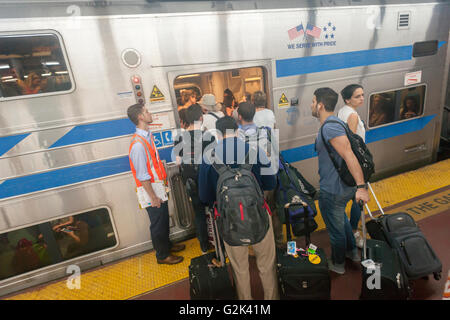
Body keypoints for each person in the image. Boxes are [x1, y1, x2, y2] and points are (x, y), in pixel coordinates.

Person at [198, 116, 279, 300]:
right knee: (266, 264)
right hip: (259, 215)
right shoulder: (255, 150)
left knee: (240, 268)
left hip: (229, 220)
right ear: (237, 130)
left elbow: (204, 197)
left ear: (218, 134)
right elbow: (270, 182)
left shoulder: (208, 157)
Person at [311, 87, 370, 275]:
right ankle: (352, 253)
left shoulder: (330, 127)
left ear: (320, 105)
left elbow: (349, 155)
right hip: (342, 187)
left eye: (313, 102)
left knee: (335, 231)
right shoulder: (333, 123)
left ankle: (337, 265)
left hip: (334, 188)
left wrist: (361, 187)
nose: (311, 106)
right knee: (342, 221)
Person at [127, 103, 186, 265]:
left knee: (163, 219)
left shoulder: (147, 136)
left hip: (157, 187)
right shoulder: (138, 144)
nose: (149, 113)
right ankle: (162, 255)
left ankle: (166, 246)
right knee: (158, 224)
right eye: (146, 111)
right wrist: (153, 197)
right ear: (140, 117)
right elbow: (142, 175)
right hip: (150, 190)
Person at [236, 102, 283, 248]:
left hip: (251, 184)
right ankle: (278, 240)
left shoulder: (237, 137)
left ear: (239, 116)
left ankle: (259, 244)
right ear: (254, 114)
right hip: (271, 178)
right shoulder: (267, 132)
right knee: (273, 210)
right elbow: (276, 153)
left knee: (254, 213)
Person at [173, 104, 215, 254]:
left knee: (198, 214)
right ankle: (219, 242)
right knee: (214, 210)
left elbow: (178, 162)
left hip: (191, 183)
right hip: (208, 182)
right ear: (200, 118)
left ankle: (204, 246)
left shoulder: (179, 138)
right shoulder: (207, 136)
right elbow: (214, 160)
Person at [337, 84, 366, 249]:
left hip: (344, 163)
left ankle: (347, 229)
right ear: (348, 99)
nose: (362, 98)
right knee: (358, 199)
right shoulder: (353, 115)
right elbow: (352, 144)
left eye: (362, 95)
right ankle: (354, 231)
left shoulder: (342, 111)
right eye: (357, 96)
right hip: (354, 164)